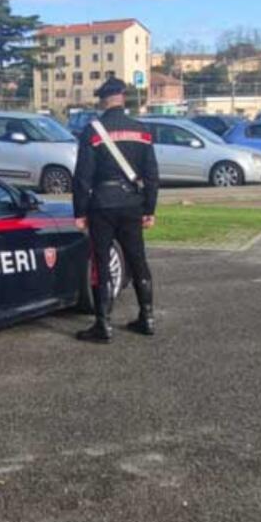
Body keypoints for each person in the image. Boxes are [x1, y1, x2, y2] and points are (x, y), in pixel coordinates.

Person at [71, 78, 159, 343]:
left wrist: (79, 212)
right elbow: (152, 174)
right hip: (133, 203)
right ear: (123, 97)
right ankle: (147, 317)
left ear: (102, 100)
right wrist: (149, 208)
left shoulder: (93, 131)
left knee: (102, 262)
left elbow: (82, 177)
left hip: (102, 205)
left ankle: (103, 324)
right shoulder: (141, 130)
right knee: (138, 260)